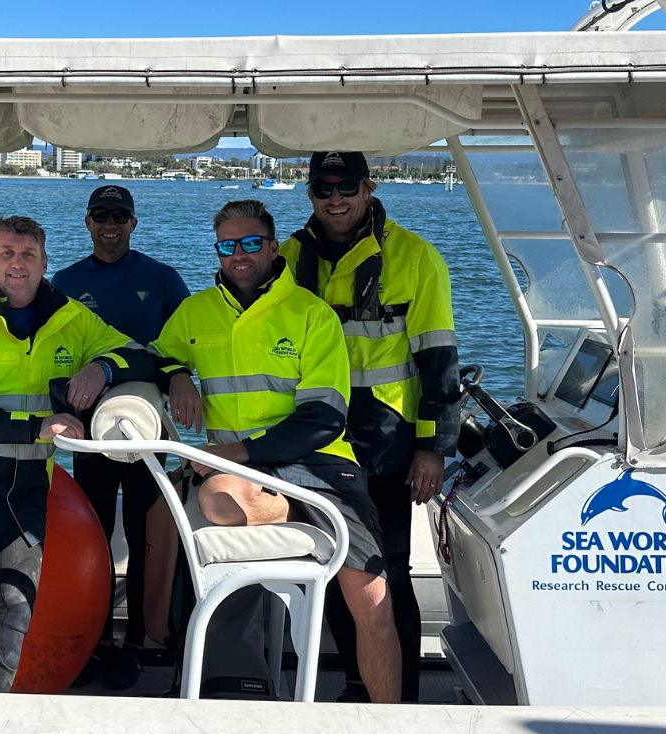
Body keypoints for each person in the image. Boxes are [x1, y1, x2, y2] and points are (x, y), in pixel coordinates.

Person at [0, 215, 163, 693]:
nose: (16, 264)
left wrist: (101, 370)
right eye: (7, 253)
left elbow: (140, 354)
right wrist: (41, 427)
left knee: (15, 609)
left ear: (45, 263)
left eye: (27, 255)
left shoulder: (71, 317)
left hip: (22, 490)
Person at [155, 198, 402, 703]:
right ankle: (292, 511)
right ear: (218, 251)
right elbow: (157, 355)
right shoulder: (194, 311)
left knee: (372, 596)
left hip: (323, 465)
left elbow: (325, 418)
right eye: (228, 245)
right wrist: (178, 375)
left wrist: (237, 451)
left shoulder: (311, 315)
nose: (239, 254)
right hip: (238, 476)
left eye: (250, 243)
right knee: (217, 495)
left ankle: (390, 720)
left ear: (272, 247)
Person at [277, 152, 461, 703]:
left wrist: (433, 447)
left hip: (387, 439)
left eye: (347, 187)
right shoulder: (288, 256)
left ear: (369, 187)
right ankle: (358, 687)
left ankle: (400, 700)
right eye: (323, 188)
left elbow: (439, 360)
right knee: (331, 562)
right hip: (316, 436)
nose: (336, 199)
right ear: (309, 193)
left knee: (389, 569)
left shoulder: (415, 258)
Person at [50, 185, 190, 689]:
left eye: (120, 217)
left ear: (134, 224)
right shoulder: (65, 282)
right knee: (93, 533)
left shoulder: (161, 280)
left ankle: (141, 639)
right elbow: (53, 352)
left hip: (148, 426)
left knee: (144, 532)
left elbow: (185, 343)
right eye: (102, 215)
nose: (110, 224)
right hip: (92, 430)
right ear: (87, 222)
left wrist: (179, 378)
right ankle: (97, 637)